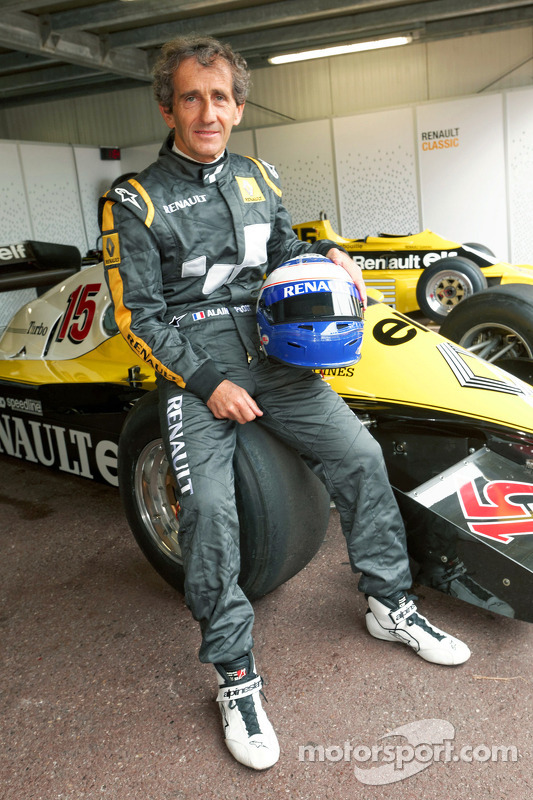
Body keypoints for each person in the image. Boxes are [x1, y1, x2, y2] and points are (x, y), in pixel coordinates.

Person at [99, 34, 470, 772]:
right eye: (191, 97)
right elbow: (135, 316)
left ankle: (387, 602)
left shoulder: (258, 177)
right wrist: (209, 384)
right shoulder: (133, 199)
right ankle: (234, 674)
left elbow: (273, 265)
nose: (207, 111)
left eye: (220, 97)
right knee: (206, 507)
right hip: (196, 372)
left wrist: (321, 258)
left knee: (360, 456)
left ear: (238, 107)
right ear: (168, 105)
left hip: (276, 360)